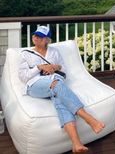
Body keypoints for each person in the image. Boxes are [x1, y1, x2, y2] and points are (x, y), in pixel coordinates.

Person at [18, 25, 105, 153]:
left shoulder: (54, 52)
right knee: (57, 84)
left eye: (40, 37)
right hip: (35, 85)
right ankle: (88, 118)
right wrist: (39, 67)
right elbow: (23, 76)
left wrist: (56, 67)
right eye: (35, 35)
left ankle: (76, 144)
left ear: (47, 40)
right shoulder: (25, 54)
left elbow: (64, 70)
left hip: (55, 83)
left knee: (60, 99)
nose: (36, 38)